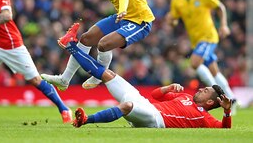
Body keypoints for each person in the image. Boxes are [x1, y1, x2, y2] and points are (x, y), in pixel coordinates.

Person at [58, 23, 232, 128]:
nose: (202, 89)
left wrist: (226, 111)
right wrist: (168, 88)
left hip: (156, 120)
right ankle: (71, 46)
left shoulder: (205, 118)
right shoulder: (185, 96)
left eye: (206, 91)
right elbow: (155, 96)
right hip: (148, 104)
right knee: (109, 75)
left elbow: (224, 128)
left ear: (210, 102)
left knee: (126, 105)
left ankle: (85, 121)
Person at [41, 0, 155, 90]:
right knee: (86, 38)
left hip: (139, 21)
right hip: (123, 17)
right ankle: (64, 79)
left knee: (103, 44)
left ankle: (98, 76)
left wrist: (123, 9)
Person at [165, 0, 237, 106]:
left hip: (209, 36)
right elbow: (174, 19)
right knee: (214, 71)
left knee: (194, 63)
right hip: (196, 41)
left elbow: (220, 7)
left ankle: (218, 93)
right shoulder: (177, 0)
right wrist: (171, 21)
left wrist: (223, 25)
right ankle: (231, 97)